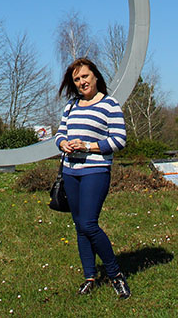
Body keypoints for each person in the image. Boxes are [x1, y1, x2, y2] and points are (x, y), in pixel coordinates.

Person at [54, 58, 130, 299]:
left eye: (85, 76)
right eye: (77, 79)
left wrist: (88, 146)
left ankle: (115, 274)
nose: (81, 82)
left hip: (95, 171)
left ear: (96, 76)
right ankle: (89, 277)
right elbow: (59, 133)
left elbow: (119, 140)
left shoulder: (110, 105)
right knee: (79, 226)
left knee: (88, 223)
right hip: (70, 171)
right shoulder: (71, 106)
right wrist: (63, 143)